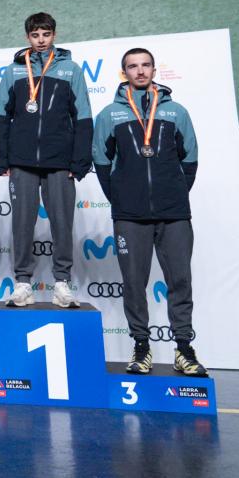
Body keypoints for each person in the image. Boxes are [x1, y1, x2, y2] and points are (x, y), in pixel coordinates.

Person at [93, 48, 206, 377]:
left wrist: (173, 192)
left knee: (180, 280)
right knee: (133, 283)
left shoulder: (176, 112)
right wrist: (123, 197)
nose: (140, 71)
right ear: (124, 73)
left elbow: (190, 158)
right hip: (130, 215)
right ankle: (141, 347)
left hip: (174, 213)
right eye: (133, 66)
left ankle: (183, 349)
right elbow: (101, 162)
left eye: (145, 65)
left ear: (154, 70)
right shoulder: (109, 115)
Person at [0, 12, 93, 308]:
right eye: (35, 35)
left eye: (46, 34)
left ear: (54, 35)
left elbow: (83, 116)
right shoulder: (13, 71)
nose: (40, 40)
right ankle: (23, 283)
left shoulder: (70, 70)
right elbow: (1, 116)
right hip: (22, 161)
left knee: (62, 223)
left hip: (59, 161)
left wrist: (80, 161)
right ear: (28, 37)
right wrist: (2, 158)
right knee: (22, 224)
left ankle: (61, 283)